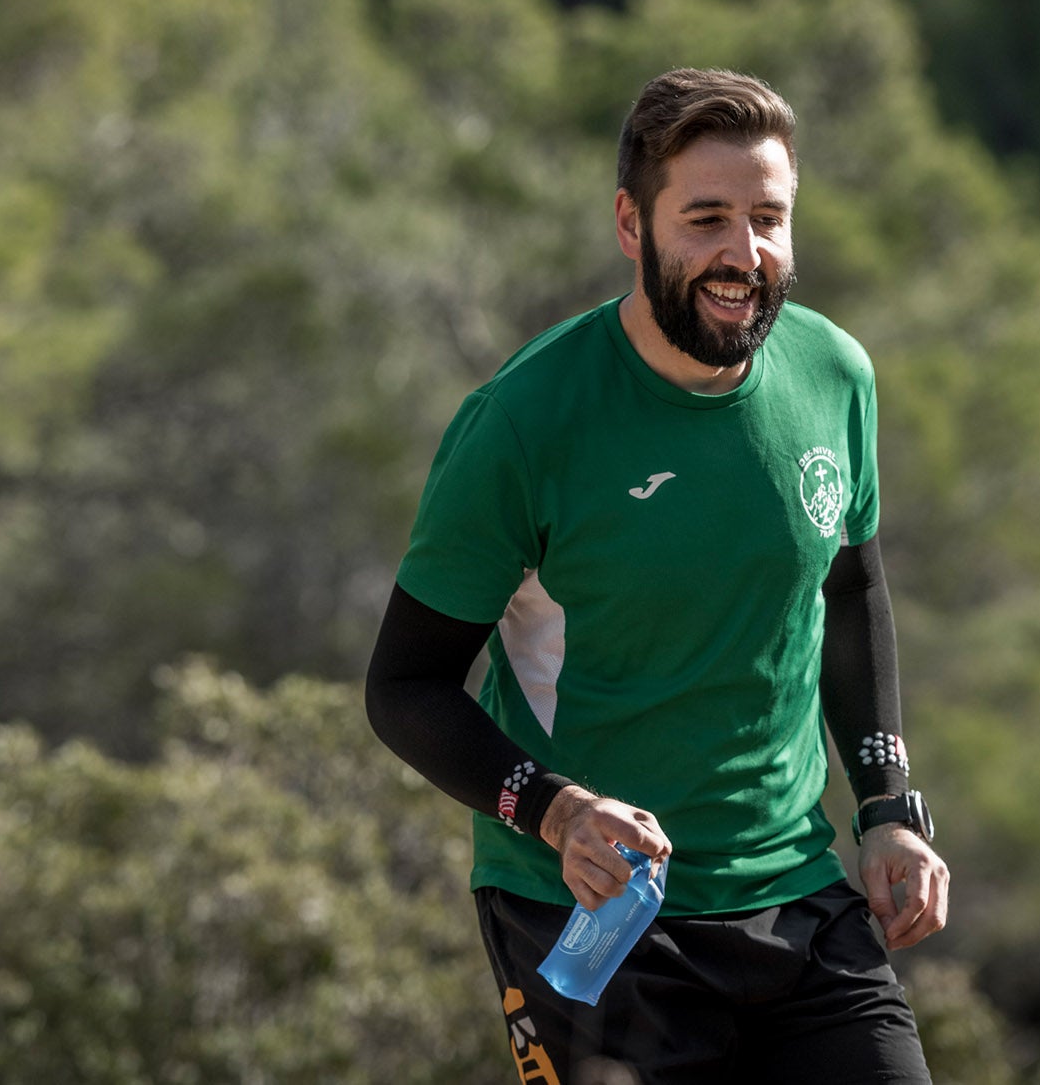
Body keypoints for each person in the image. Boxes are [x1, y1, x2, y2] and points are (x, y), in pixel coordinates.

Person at [366, 68, 947, 1084]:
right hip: (588, 910)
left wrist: (886, 806)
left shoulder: (833, 375)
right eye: (706, 219)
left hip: (795, 894)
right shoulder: (524, 421)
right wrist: (554, 810)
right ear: (632, 227)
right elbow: (403, 687)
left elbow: (848, 593)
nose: (743, 253)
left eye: (767, 218)